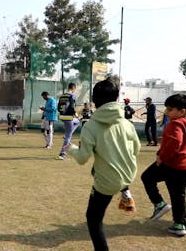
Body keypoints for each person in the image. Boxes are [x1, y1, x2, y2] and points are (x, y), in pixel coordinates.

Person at [63, 76, 140, 251]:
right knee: (96, 170)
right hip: (128, 174)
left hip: (108, 182)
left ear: (94, 101)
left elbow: (82, 158)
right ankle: (125, 192)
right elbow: (136, 150)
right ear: (116, 99)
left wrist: (71, 148)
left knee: (93, 218)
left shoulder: (91, 126)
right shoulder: (127, 123)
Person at [141, 94, 186, 237]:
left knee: (147, 177)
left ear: (183, 111)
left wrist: (161, 157)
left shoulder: (176, 123)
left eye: (171, 109)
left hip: (171, 164)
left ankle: (160, 204)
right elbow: (180, 141)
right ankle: (179, 225)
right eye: (167, 109)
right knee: (178, 195)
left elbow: (175, 143)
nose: (167, 112)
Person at [57, 83, 80, 160]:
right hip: (68, 117)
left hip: (62, 116)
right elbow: (72, 106)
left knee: (77, 122)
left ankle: (68, 134)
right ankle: (62, 154)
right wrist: (75, 113)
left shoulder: (62, 95)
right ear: (74, 88)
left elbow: (58, 106)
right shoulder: (72, 95)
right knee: (68, 136)